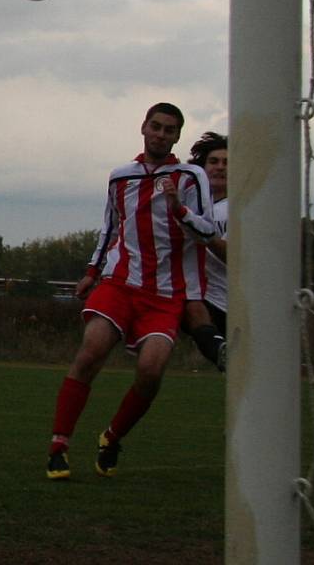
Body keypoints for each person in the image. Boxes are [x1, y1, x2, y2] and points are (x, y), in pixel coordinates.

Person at [46, 102, 215, 481]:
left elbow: (209, 232)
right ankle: (59, 446)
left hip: (166, 294)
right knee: (91, 351)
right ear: (143, 127)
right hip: (120, 283)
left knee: (151, 370)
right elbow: (109, 229)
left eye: (169, 129)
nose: (160, 134)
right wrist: (92, 271)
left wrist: (178, 209)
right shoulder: (120, 177)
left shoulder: (190, 177)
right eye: (155, 126)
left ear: (177, 136)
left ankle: (112, 437)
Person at [183, 132, 228, 371]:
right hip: (199, 293)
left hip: (228, 301)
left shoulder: (239, 209)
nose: (220, 167)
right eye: (214, 162)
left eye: (227, 162)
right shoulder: (191, 203)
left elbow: (235, 257)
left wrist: (204, 233)